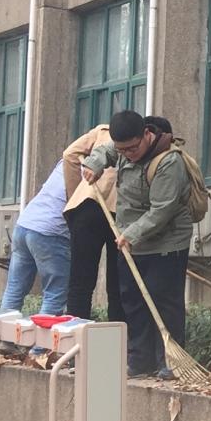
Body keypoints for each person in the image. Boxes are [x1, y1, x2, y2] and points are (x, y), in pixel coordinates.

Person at [82, 110, 194, 381]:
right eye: (123, 150)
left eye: (133, 148)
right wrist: (94, 165)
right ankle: (140, 359)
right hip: (130, 242)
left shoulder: (169, 161)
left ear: (146, 134)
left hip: (166, 243)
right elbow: (105, 151)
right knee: (132, 301)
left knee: (164, 301)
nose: (128, 154)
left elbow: (162, 209)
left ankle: (170, 361)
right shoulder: (121, 149)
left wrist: (132, 233)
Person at [0, 154, 74, 321]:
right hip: (50, 232)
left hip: (24, 225)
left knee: (14, 288)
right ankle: (42, 337)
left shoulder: (66, 161)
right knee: (54, 292)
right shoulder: (92, 169)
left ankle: (3, 333)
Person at [60, 121, 123, 321]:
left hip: (86, 207)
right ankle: (118, 334)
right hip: (119, 212)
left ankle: (75, 332)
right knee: (118, 283)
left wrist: (76, 193)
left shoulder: (102, 132)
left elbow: (69, 155)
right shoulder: (140, 141)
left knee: (80, 281)